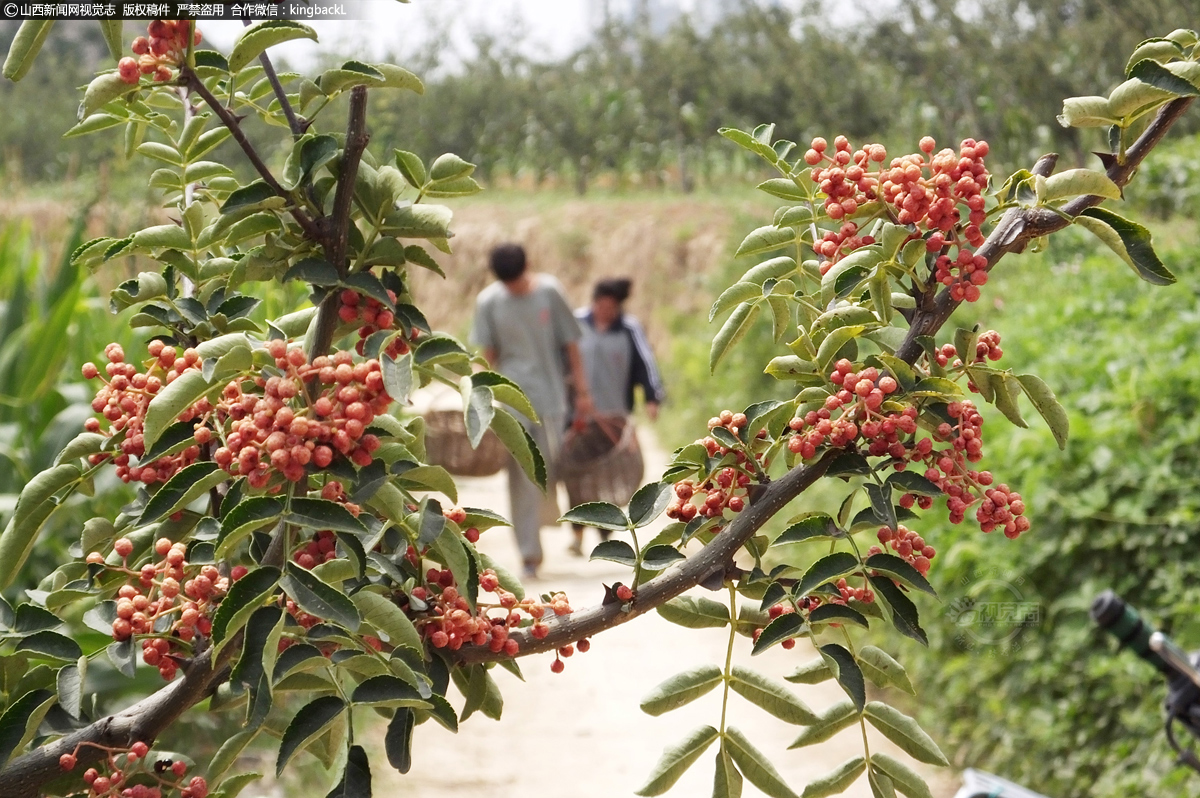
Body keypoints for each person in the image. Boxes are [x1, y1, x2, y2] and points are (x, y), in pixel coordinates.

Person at [470, 243, 593, 578]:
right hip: (512, 403)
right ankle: (529, 553)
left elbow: (572, 345)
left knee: (553, 470)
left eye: (518, 282)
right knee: (521, 477)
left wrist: (582, 392)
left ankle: (563, 526)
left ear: (529, 267)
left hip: (552, 399)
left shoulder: (550, 292)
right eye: (508, 284)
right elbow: (487, 355)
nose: (514, 289)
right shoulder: (490, 302)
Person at [568, 277, 665, 555]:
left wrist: (651, 398)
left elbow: (646, 364)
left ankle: (604, 532)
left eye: (611, 308)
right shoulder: (575, 324)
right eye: (601, 305)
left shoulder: (629, 329)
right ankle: (576, 534)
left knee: (608, 474)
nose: (605, 312)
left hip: (614, 415)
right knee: (576, 471)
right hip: (580, 415)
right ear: (594, 302)